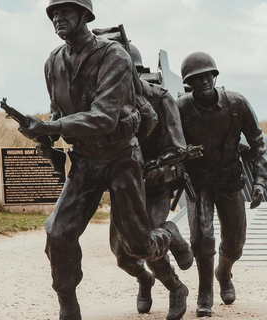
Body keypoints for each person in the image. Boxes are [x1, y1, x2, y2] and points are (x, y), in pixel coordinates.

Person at [17, 1, 192, 319]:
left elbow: (104, 117)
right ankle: (68, 304)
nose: (58, 17)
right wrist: (42, 131)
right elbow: (59, 112)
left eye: (66, 11)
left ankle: (169, 234)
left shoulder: (114, 56)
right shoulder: (53, 62)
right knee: (57, 233)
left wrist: (52, 126)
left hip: (120, 158)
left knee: (137, 244)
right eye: (53, 13)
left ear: (85, 15)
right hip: (84, 160)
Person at [176, 52, 267, 317]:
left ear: (215, 76)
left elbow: (257, 142)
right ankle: (205, 292)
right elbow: (170, 144)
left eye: (208, 75)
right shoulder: (180, 108)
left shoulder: (236, 104)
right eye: (197, 78)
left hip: (230, 181)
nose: (204, 81)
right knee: (201, 239)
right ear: (189, 83)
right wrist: (179, 171)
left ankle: (224, 272)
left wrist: (260, 180)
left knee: (235, 242)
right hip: (199, 182)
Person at [107, 43, 191, 320]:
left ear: (134, 69)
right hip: (124, 188)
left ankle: (176, 288)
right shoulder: (105, 102)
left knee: (147, 242)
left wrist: (155, 167)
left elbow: (178, 146)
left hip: (155, 184)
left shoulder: (160, 97)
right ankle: (144, 280)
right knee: (122, 256)